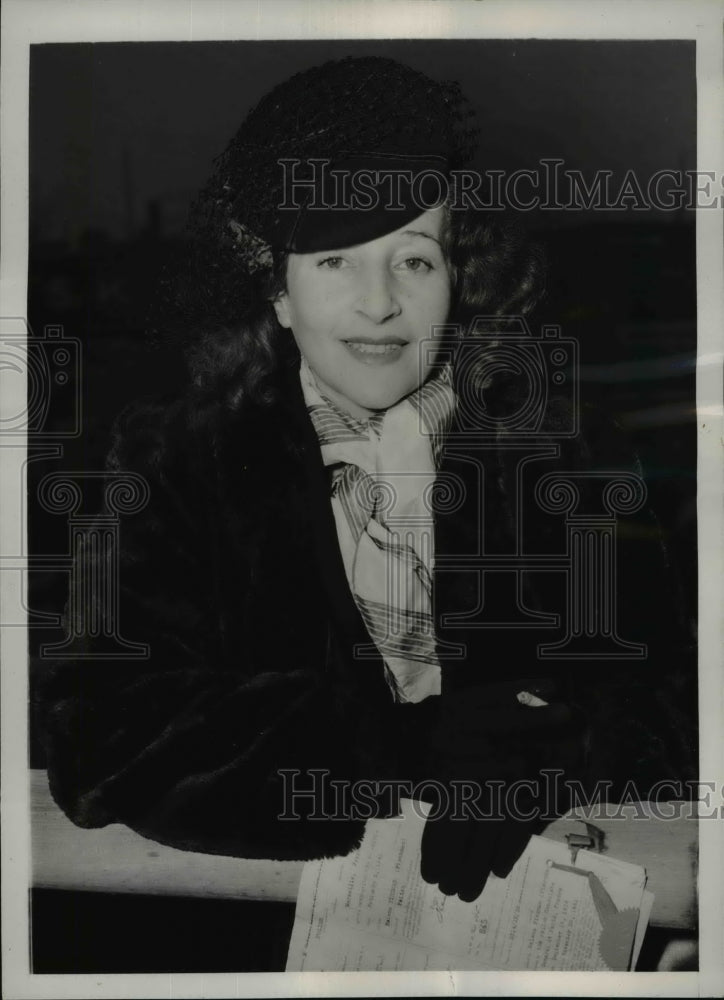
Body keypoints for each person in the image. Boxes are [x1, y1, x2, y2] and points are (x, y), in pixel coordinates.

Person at [37, 56, 695, 904]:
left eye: (414, 260)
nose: (379, 303)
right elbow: (98, 732)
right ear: (276, 292)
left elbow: (678, 706)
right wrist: (402, 748)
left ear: (460, 276)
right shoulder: (173, 461)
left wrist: (546, 751)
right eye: (334, 262)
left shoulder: (562, 453)